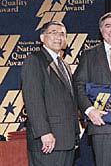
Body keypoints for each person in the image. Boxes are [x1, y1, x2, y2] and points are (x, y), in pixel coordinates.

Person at [73, 12, 111, 166]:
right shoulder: (88, 55)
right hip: (101, 124)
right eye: (108, 26)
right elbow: (78, 86)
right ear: (101, 30)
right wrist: (89, 111)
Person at [21, 21, 80, 166]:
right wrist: (44, 132)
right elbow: (33, 100)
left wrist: (75, 134)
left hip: (67, 141)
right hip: (48, 141)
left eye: (62, 34)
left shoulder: (64, 64)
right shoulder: (34, 60)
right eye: (53, 32)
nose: (58, 37)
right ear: (42, 38)